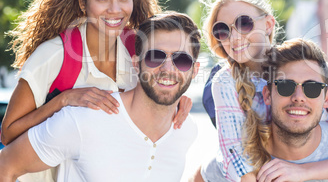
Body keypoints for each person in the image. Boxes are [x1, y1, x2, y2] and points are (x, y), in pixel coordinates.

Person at [2, 0, 191, 182]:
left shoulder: (138, 48)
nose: (115, 9)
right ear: (83, 2)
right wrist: (64, 100)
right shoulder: (54, 55)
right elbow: (8, 134)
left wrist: (175, 100)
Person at [190, 0, 328, 181]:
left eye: (244, 23)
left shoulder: (311, 67)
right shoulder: (225, 82)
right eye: (222, 30)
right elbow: (237, 161)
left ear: (268, 25)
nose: (233, 37)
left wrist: (303, 172)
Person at [0, 12, 201, 182]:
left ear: (194, 70)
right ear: (136, 64)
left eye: (181, 60)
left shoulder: (186, 129)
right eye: (155, 56)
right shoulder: (84, 120)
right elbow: (5, 165)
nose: (167, 69)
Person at [242, 38, 328, 182]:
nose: (299, 97)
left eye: (312, 88)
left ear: (327, 99)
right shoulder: (242, 164)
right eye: (285, 86)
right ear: (267, 95)